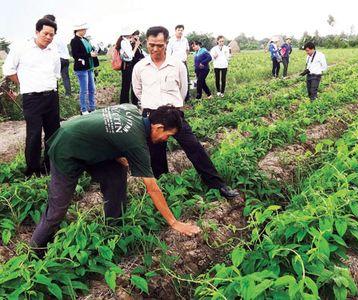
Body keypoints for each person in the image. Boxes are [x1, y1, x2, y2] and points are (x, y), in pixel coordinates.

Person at [30, 104, 201, 249]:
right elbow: (152, 188)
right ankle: (35, 250)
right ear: (158, 128)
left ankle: (112, 229)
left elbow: (108, 129)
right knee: (57, 209)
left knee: (116, 173)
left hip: (83, 140)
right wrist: (174, 222)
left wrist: (116, 152)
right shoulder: (136, 142)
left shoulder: (132, 109)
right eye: (168, 136)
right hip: (66, 148)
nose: (166, 140)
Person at [133, 26, 239, 200]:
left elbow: (183, 90)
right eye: (152, 45)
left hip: (173, 114)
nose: (155, 49)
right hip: (151, 115)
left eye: (160, 45)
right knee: (156, 154)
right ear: (146, 43)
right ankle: (164, 187)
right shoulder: (140, 67)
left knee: (194, 147)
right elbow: (138, 91)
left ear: (166, 43)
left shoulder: (177, 65)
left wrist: (173, 108)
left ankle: (217, 184)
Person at [2, 18, 61, 177]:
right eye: (45, 33)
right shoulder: (22, 48)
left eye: (52, 35)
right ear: (37, 32)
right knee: (34, 134)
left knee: (53, 133)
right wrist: (27, 83)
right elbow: (9, 70)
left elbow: (56, 73)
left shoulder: (53, 51)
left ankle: (50, 166)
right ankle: (33, 170)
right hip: (32, 98)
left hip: (51, 97)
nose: (48, 37)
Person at [70, 22, 99, 115]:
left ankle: (92, 107)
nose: (85, 31)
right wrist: (89, 55)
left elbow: (90, 50)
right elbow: (75, 55)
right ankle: (83, 109)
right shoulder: (74, 41)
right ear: (79, 30)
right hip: (81, 69)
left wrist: (94, 52)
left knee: (92, 88)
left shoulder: (85, 39)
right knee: (84, 89)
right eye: (84, 29)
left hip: (90, 67)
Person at [43, 14, 72, 96]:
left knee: (53, 76)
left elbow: (50, 49)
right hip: (66, 58)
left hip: (58, 59)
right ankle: (68, 95)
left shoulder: (51, 34)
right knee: (66, 77)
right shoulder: (59, 34)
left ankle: (54, 94)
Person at [116, 30, 144, 105]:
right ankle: (124, 103)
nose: (137, 37)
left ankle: (133, 102)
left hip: (131, 66)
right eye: (136, 35)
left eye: (138, 36)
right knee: (126, 85)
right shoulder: (126, 43)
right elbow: (131, 56)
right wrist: (136, 46)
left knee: (133, 84)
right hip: (127, 66)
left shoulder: (129, 43)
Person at [167, 25, 190, 101]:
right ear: (175, 31)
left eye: (181, 30)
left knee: (185, 79)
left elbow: (187, 49)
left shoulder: (185, 40)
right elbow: (168, 53)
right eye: (178, 30)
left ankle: (186, 96)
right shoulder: (171, 40)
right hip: (174, 63)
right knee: (175, 79)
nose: (180, 31)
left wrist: (185, 57)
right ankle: (176, 96)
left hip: (183, 62)